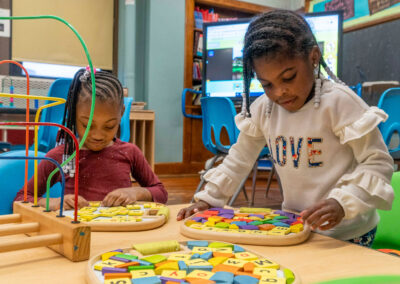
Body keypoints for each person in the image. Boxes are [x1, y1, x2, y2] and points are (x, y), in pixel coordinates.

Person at [177, 10, 394, 247]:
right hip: (296, 224)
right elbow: (239, 159)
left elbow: (377, 162)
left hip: (347, 230)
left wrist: (343, 203)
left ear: (313, 57)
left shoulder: (340, 103)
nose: (279, 92)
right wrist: (209, 199)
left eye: (289, 77)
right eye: (267, 84)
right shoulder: (264, 108)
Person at [15, 68, 167, 210]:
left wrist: (135, 193)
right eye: (87, 125)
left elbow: (161, 193)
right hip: (79, 234)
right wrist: (53, 202)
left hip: (120, 232)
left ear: (121, 114)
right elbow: (21, 198)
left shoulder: (130, 152)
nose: (98, 135)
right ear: (74, 115)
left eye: (109, 126)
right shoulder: (61, 156)